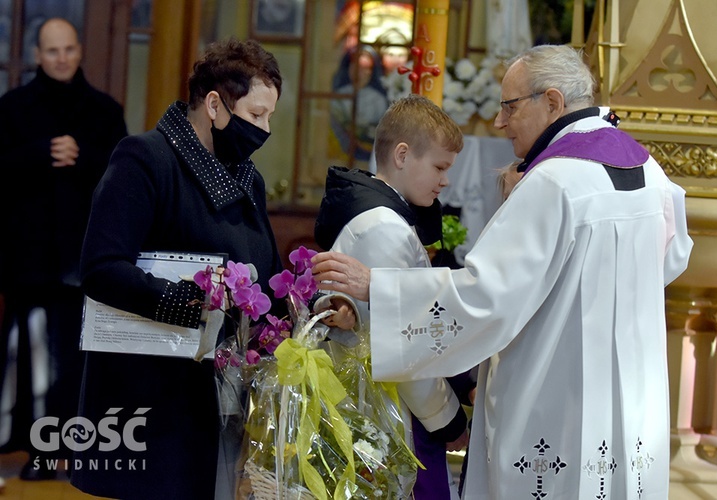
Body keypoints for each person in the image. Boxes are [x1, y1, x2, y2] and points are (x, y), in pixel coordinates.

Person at [311, 44, 693, 499]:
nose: (499, 122)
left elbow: (484, 296)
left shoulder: (554, 181)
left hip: (556, 391)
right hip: (632, 392)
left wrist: (379, 286)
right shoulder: (651, 171)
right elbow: (671, 260)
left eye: (509, 106)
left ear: (551, 102)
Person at [69, 38, 289, 500]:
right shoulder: (145, 158)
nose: (265, 129)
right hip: (150, 397)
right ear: (214, 105)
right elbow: (100, 267)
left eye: (270, 116)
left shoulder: (248, 179)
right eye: (255, 115)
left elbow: (264, 273)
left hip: (218, 397)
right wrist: (196, 302)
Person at [314, 94, 472, 499]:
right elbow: (403, 343)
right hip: (392, 415)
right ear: (402, 155)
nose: (446, 180)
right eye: (439, 166)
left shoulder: (381, 215)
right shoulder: (384, 227)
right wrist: (449, 420)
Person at [0, 17, 127, 480]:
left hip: (84, 260)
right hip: (25, 260)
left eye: (69, 49)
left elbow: (123, 179)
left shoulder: (104, 111)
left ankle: (72, 451)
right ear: (38, 55)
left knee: (76, 360)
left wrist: (84, 156)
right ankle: (33, 451)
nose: (61, 58)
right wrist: (39, 154)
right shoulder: (11, 108)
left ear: (79, 51)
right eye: (52, 51)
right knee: (29, 360)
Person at [330, 45, 390, 162]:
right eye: (355, 66)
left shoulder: (379, 100)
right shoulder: (338, 96)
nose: (360, 72)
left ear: (371, 72)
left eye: (366, 67)